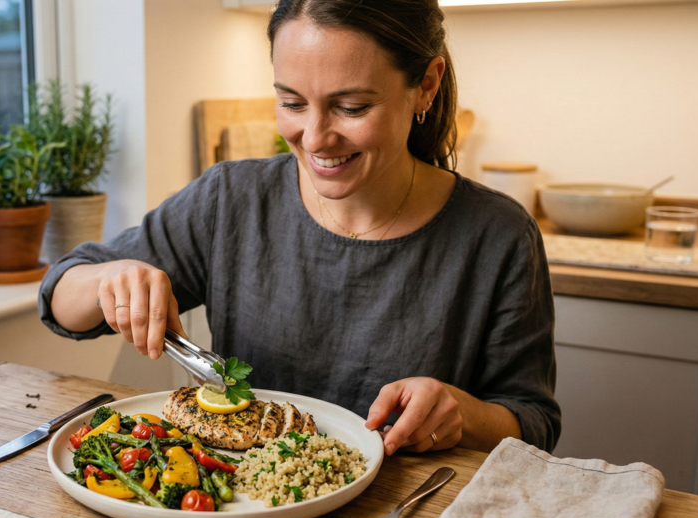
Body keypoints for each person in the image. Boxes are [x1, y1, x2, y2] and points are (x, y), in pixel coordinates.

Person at [39, 0, 560, 456]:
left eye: (351, 107)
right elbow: (60, 294)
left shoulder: (498, 235)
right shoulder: (231, 200)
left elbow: (533, 424)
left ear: (426, 85)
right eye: (291, 102)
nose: (314, 138)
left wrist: (461, 414)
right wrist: (112, 281)